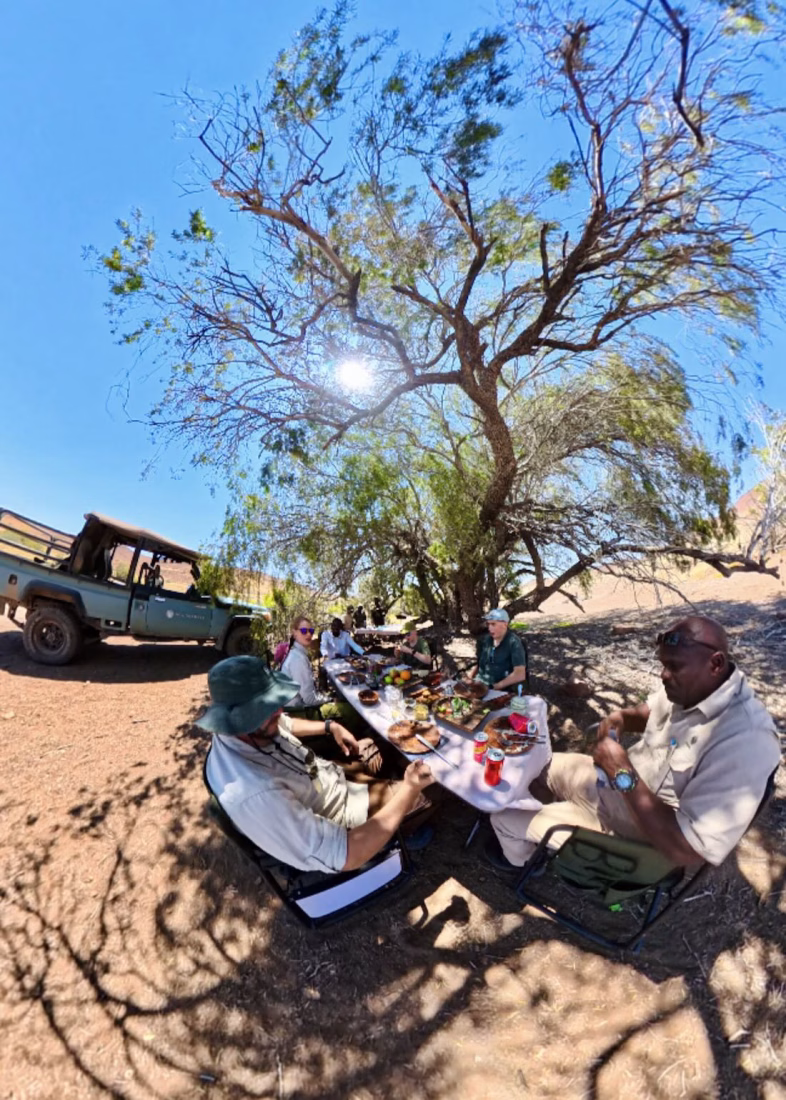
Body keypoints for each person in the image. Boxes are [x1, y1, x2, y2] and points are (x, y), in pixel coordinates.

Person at [489, 616, 781, 870]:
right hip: (610, 786)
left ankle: (525, 862)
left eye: (674, 666)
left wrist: (621, 772)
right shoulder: (694, 687)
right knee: (536, 766)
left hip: (638, 831)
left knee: (502, 819)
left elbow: (686, 850)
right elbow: (649, 712)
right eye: (663, 665)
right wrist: (620, 718)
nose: (663, 675)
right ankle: (549, 822)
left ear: (715, 663)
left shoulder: (746, 740)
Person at [201, 656, 437, 872]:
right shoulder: (257, 793)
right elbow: (346, 854)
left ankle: (389, 793)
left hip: (330, 777)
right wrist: (410, 789)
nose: (280, 710)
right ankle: (406, 831)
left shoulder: (240, 729)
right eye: (266, 709)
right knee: (431, 789)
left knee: (376, 743)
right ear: (240, 719)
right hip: (344, 816)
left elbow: (285, 723)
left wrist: (330, 726)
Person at [281, 614, 363, 731]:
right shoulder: (297, 659)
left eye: (311, 631)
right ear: (294, 633)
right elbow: (309, 699)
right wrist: (329, 699)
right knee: (352, 709)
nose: (308, 634)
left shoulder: (297, 653)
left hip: (300, 706)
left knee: (340, 697)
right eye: (304, 631)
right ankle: (346, 736)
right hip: (301, 713)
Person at [466, 609, 527, 691]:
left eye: (493, 624)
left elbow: (519, 674)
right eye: (488, 624)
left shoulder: (513, 643)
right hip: (479, 684)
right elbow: (480, 663)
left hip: (499, 689)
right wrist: (469, 678)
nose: (489, 628)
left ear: (505, 624)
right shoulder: (486, 640)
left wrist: (493, 687)